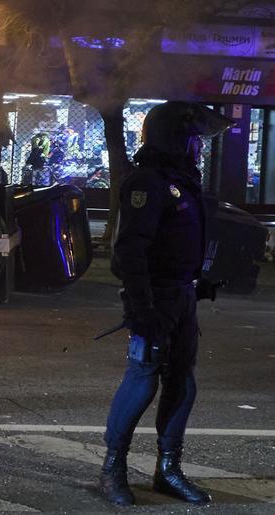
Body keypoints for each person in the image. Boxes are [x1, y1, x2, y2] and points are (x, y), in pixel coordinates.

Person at [99, 101, 233, 507]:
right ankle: (112, 470)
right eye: (195, 140)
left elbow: (176, 241)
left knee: (182, 384)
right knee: (142, 380)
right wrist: (143, 307)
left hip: (181, 296)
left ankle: (168, 471)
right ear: (176, 138)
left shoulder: (182, 181)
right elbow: (129, 253)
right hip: (155, 299)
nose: (200, 149)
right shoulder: (147, 182)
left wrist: (197, 282)